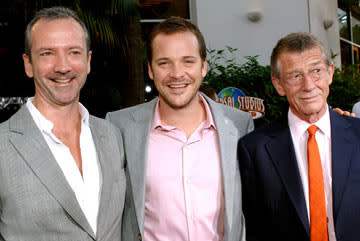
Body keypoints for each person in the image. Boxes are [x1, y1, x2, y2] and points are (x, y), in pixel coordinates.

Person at [106, 16, 253, 241]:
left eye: (188, 61)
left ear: (203, 67)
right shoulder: (120, 127)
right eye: (164, 63)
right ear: (151, 70)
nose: (177, 73)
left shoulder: (239, 125)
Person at [0, 7, 125, 240]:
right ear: (28, 64)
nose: (63, 66)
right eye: (47, 53)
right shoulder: (2, 145)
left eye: (74, 52)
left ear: (88, 61)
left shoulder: (112, 136)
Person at [238, 32, 360, 241]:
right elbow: (255, 229)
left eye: (316, 71)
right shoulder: (255, 149)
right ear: (278, 85)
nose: (309, 85)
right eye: (295, 76)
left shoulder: (358, 134)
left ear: (330, 73)